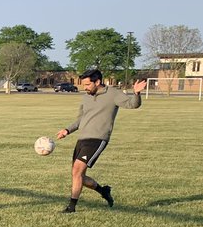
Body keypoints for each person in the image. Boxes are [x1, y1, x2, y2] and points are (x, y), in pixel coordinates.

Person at [54, 68, 146, 213]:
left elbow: (133, 104)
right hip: (82, 138)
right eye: (83, 85)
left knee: (77, 172)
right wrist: (67, 130)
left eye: (87, 85)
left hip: (98, 139)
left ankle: (71, 207)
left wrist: (137, 93)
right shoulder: (86, 97)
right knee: (79, 176)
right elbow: (80, 119)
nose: (85, 88)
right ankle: (103, 191)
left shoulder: (113, 94)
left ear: (97, 82)